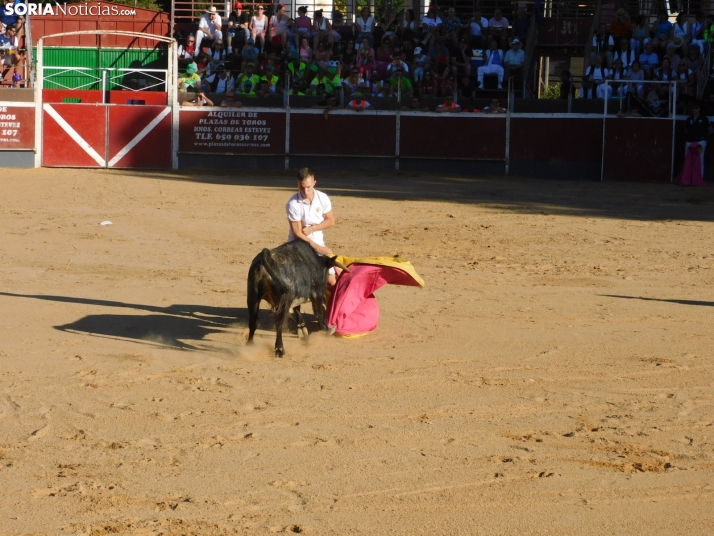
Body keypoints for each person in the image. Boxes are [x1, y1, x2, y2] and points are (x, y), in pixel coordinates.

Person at [286, 168, 337, 286]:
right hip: (297, 244)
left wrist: (312, 229)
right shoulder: (293, 204)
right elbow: (297, 233)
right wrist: (318, 248)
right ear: (297, 184)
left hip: (318, 241)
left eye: (308, 187)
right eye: (302, 187)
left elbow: (331, 221)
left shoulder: (322, 198)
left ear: (314, 183)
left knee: (331, 281)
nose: (305, 191)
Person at [684, 102, 712, 179]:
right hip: (690, 141)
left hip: (700, 142)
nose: (695, 110)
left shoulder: (704, 118)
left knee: (700, 159)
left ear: (699, 109)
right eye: (693, 108)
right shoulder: (689, 119)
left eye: (696, 108)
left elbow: (711, 130)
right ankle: (689, 177)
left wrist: (704, 138)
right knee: (688, 160)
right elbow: (685, 130)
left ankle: (699, 178)